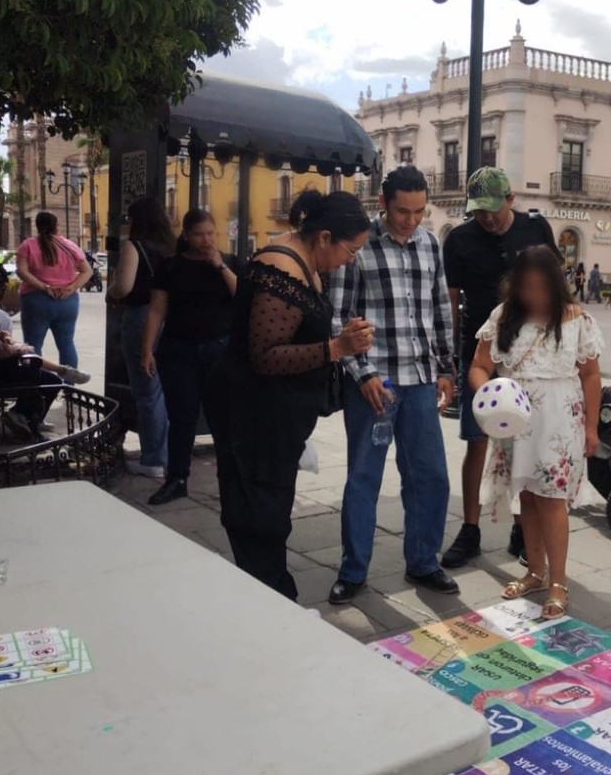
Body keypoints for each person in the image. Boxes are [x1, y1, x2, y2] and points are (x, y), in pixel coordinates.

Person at [206, 190, 374, 599]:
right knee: (259, 515)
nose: (351, 260)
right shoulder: (280, 267)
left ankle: (269, 599)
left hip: (272, 417)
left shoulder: (304, 264)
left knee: (269, 512)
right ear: (324, 237)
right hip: (252, 416)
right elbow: (265, 356)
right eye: (351, 250)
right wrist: (337, 348)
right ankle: (271, 602)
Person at [327, 166, 459, 604]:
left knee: (430, 477)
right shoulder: (361, 247)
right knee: (363, 478)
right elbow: (338, 316)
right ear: (384, 203)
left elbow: (441, 308)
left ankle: (424, 562)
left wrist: (446, 368)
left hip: (420, 380)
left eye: (420, 211)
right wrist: (361, 373)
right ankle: (353, 570)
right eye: (403, 211)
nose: (411, 220)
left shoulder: (429, 244)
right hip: (375, 383)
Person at [469, 245, 604, 619]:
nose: (534, 296)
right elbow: (479, 367)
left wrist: (592, 428)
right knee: (526, 497)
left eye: (542, 287)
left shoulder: (577, 320)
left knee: (551, 500)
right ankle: (535, 571)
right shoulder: (501, 318)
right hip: (515, 422)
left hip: (559, 423)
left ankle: (559, 580)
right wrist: (489, 393)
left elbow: (591, 375)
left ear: (557, 285)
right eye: (527, 287)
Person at [440, 167, 561, 568]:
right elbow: (452, 303)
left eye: (493, 209)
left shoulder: (535, 227)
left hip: (529, 356)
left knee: (522, 447)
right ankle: (470, 529)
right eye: (479, 212)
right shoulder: (459, 239)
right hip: (482, 353)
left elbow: (556, 285)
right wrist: (454, 359)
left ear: (510, 199)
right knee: (477, 442)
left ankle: (521, 530)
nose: (487, 218)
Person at [141, 209, 238, 506]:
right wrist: (147, 349)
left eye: (211, 233)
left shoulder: (230, 263)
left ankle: (231, 483)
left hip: (219, 349)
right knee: (181, 418)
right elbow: (157, 310)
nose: (206, 239)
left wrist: (219, 265)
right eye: (199, 234)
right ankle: (177, 479)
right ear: (186, 235)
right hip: (178, 350)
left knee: (223, 418)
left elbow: (244, 297)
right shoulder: (171, 267)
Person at [0, 276, 88, 440]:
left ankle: (25, 417)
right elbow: (0, 351)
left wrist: (3, 338)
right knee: (40, 372)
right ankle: (23, 418)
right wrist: (19, 347)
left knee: (49, 378)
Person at [108, 197, 176, 479]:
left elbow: (124, 287)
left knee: (147, 392)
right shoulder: (171, 248)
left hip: (142, 318)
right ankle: (167, 453)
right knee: (163, 390)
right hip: (170, 319)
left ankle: (154, 460)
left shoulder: (135, 247)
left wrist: (111, 291)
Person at [15, 211, 91, 367]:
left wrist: (45, 287)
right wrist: (71, 288)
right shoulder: (70, 246)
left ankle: (37, 382)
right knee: (66, 343)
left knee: (32, 345)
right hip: (67, 301)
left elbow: (22, 271)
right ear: (57, 226)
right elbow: (87, 271)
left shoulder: (27, 246)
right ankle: (69, 385)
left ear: (37, 226)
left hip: (35, 300)